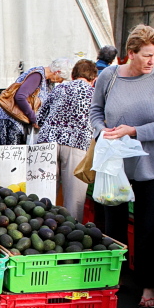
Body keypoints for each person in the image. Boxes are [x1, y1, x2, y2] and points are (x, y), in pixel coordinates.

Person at [90, 24, 154, 308]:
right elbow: (95, 111)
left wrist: (133, 131)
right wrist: (100, 131)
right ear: (130, 54)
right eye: (147, 55)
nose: (152, 61)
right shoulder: (109, 76)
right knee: (112, 225)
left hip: (148, 166)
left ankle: (149, 283)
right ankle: (112, 280)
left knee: (148, 226)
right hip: (113, 166)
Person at [36, 59, 98, 219]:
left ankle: (41, 229)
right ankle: (70, 234)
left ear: (73, 74)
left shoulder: (59, 88)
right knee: (74, 198)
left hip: (47, 141)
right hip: (77, 143)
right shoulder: (94, 93)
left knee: (44, 193)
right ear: (93, 78)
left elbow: (40, 117)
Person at [0, 58, 71, 146]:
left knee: (21, 157)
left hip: (21, 122)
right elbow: (20, 97)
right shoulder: (37, 75)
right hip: (11, 121)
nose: (61, 81)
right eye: (62, 78)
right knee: (12, 157)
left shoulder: (47, 81)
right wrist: (34, 119)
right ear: (57, 72)